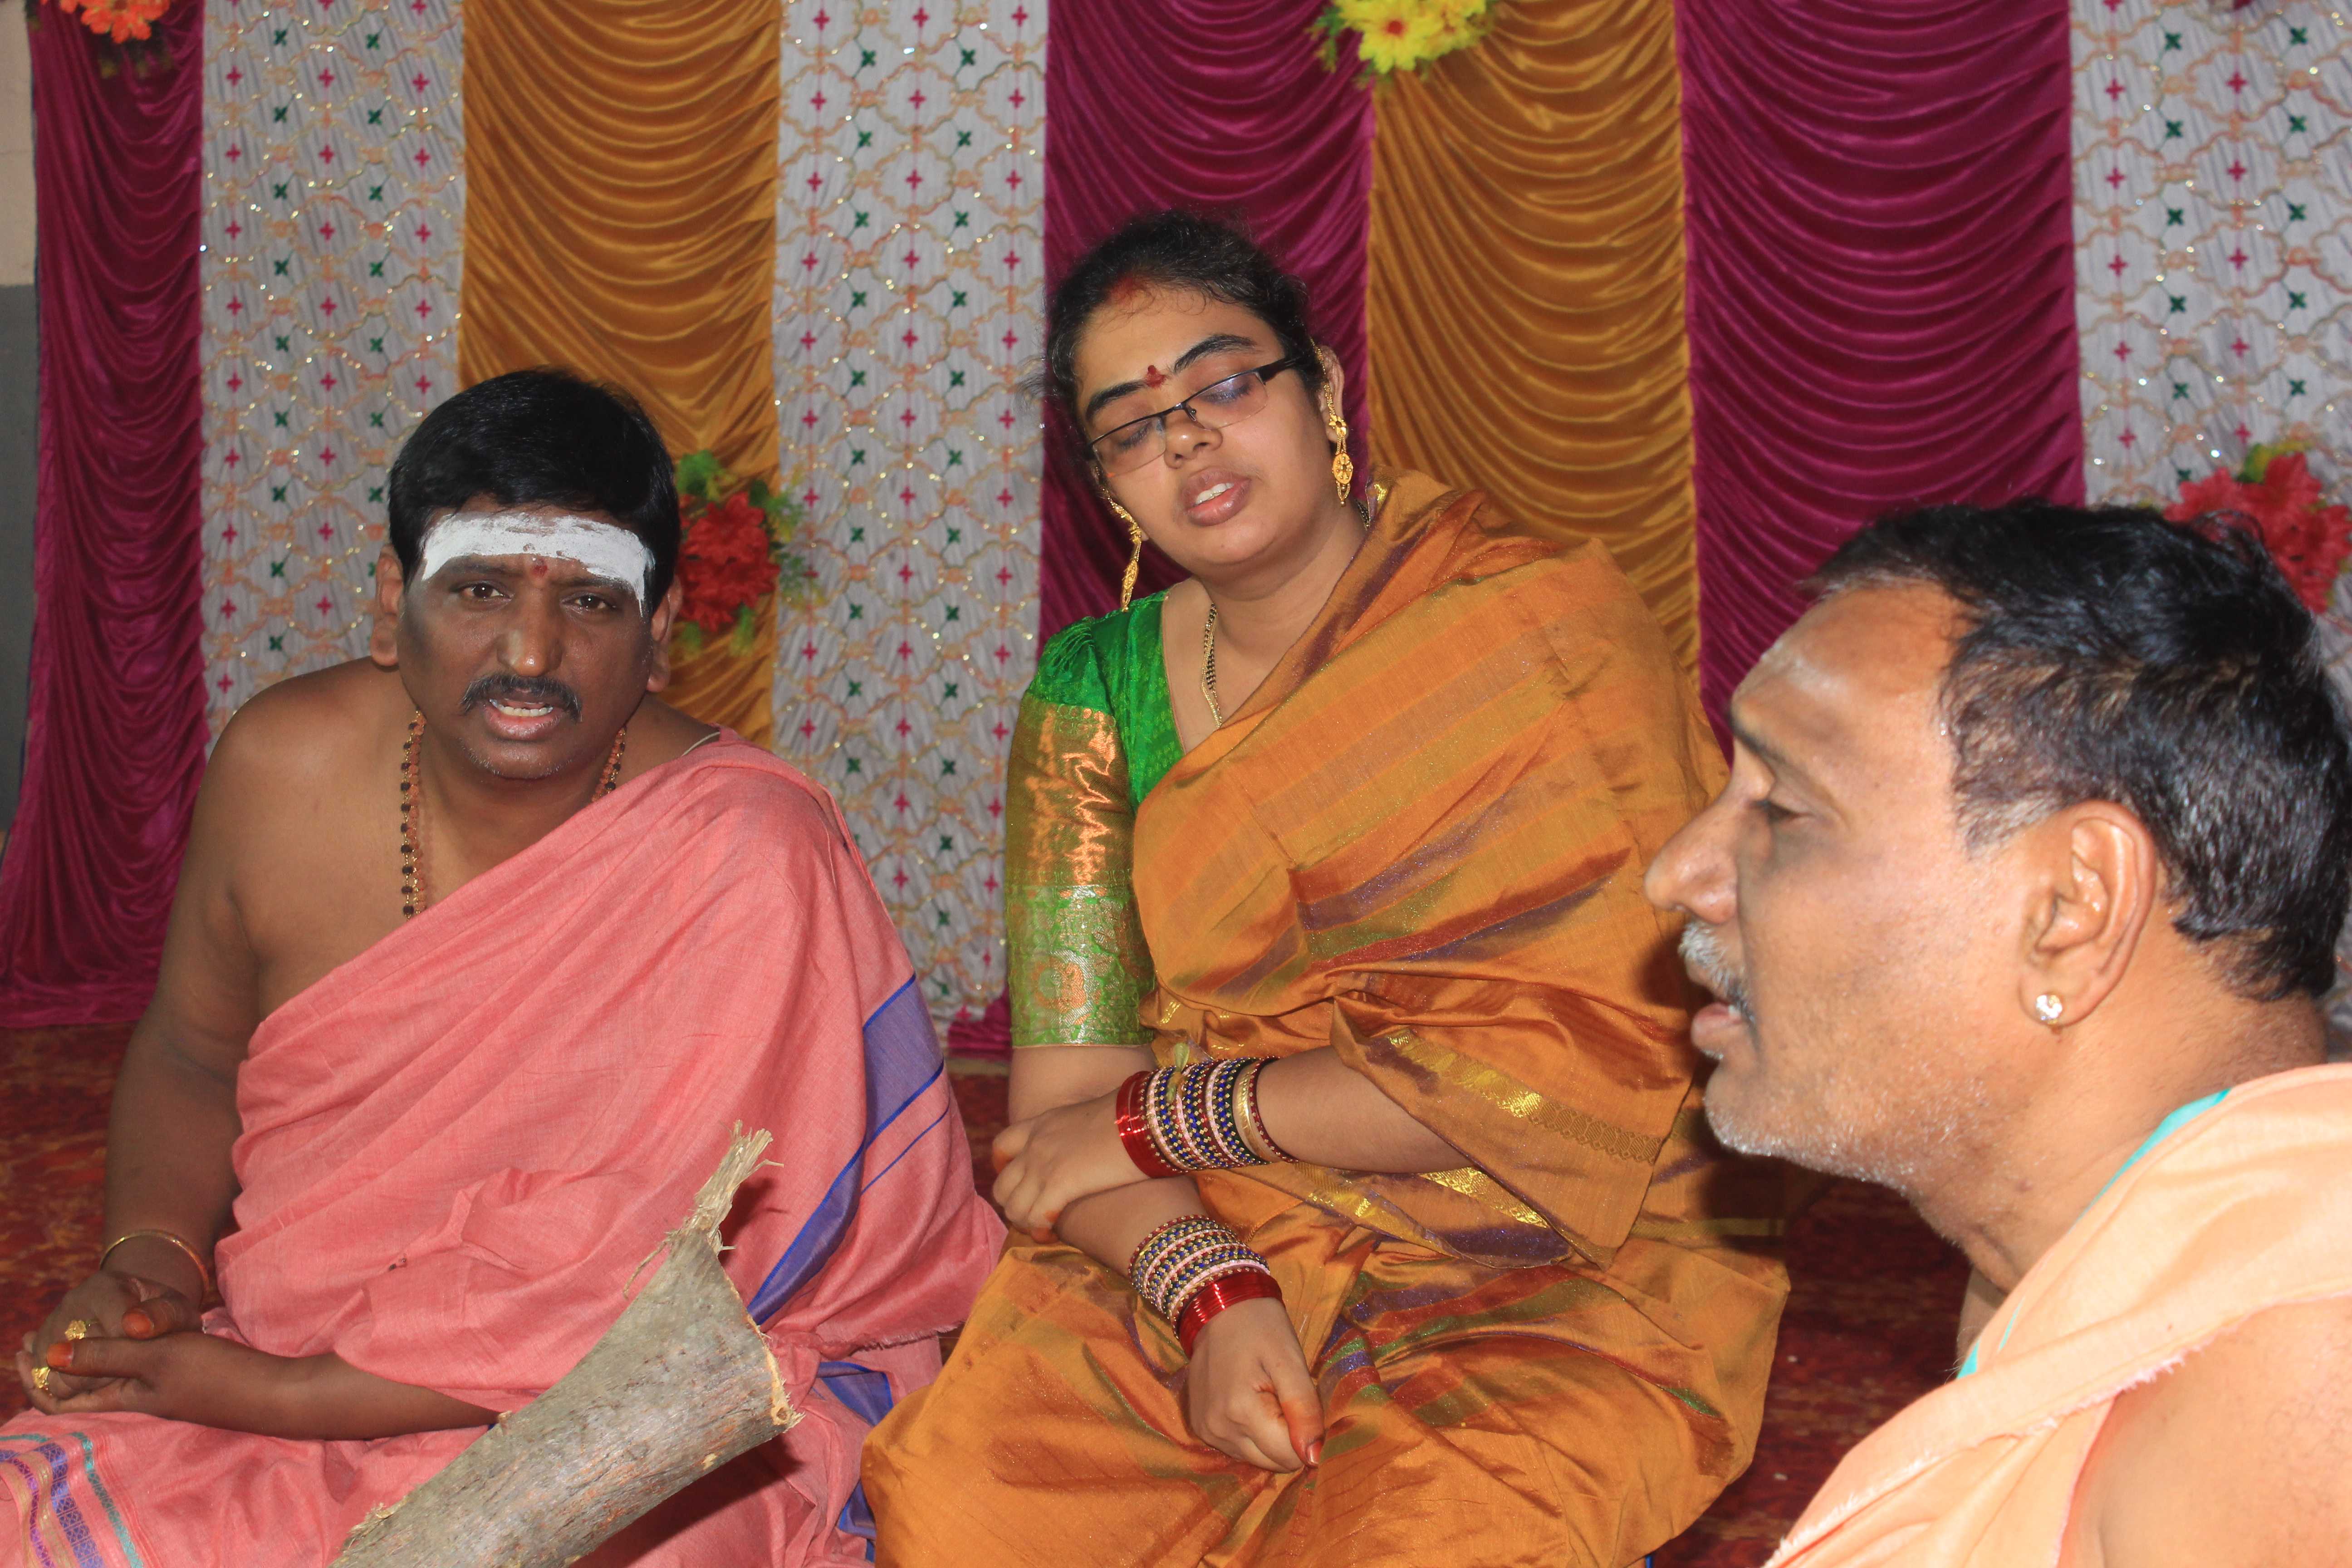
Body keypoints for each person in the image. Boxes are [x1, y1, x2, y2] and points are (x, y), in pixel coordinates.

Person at [862, 209, 1792, 1566]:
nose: (1188, 440)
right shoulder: (1096, 694)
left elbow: (1570, 1069)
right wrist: (1210, 1290)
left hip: (1551, 1246)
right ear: (1106, 484)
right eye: (1132, 426)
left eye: (1225, 384)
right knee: (967, 1508)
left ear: (1327, 389)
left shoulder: (1538, 630)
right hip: (1212, 1221)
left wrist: (1169, 1116)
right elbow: (1065, 1114)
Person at [3, 369, 1003, 1567]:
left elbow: (704, 1302)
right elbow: (192, 1050)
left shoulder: (749, 853)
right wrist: (152, 1261)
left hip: (638, 1414)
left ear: (659, 637)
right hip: (284, 1351)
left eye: (589, 600)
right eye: (480, 590)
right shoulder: (284, 770)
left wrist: (271, 1397)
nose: (531, 651)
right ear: (394, 608)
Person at [1644, 500, 2352, 1566]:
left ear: (2072, 909)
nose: (1679, 875)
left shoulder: (2289, 1385)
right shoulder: (2069, 1270)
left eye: (1783, 809)